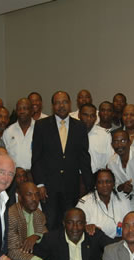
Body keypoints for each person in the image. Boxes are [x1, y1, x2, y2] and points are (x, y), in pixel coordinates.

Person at [31, 91, 93, 230]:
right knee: (51, 223)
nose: (61, 105)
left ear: (70, 104)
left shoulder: (80, 127)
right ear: (53, 106)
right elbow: (37, 157)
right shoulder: (41, 125)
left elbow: (84, 157)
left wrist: (90, 186)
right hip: (49, 187)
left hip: (71, 186)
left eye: (64, 102)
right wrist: (40, 184)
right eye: (57, 102)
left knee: (71, 224)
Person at [6, 182, 51, 260]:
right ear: (20, 197)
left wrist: (35, 236)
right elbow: (13, 251)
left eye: (36, 194)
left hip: (26, 252)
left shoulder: (38, 213)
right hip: (10, 257)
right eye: (29, 195)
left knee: (50, 244)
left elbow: (44, 232)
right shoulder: (12, 215)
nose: (35, 199)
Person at [77, 169, 131, 239]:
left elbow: (130, 223)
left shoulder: (123, 199)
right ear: (95, 185)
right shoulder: (84, 203)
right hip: (96, 245)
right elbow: (76, 226)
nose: (104, 185)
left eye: (108, 182)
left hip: (120, 243)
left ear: (113, 184)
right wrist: (86, 227)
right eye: (100, 182)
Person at [107, 130, 134, 213]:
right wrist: (122, 187)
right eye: (116, 142)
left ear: (130, 142)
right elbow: (115, 186)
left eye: (123, 141)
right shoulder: (111, 162)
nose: (119, 145)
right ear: (112, 145)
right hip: (130, 198)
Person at [3, 98, 35, 170]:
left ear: (31, 111)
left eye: (25, 108)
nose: (22, 111)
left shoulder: (39, 129)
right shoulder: (8, 132)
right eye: (19, 109)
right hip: (14, 175)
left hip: (34, 175)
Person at [80, 103, 112, 174]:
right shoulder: (71, 134)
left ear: (96, 117)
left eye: (92, 116)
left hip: (97, 179)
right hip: (75, 178)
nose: (89, 119)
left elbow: (110, 162)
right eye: (85, 115)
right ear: (79, 115)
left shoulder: (105, 135)